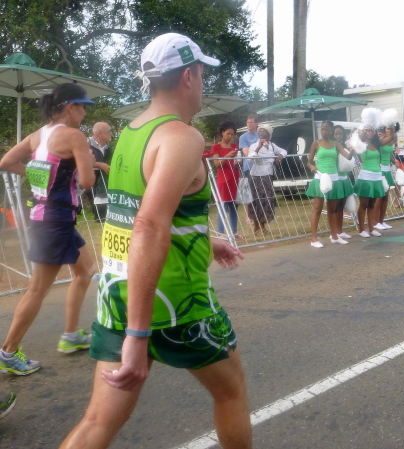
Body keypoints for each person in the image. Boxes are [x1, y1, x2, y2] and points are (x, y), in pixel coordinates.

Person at [60, 33, 251, 449]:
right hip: (176, 303)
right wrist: (139, 333)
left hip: (119, 295)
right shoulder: (182, 137)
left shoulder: (132, 132)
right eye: (201, 75)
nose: (202, 84)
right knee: (231, 393)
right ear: (189, 76)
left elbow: (139, 217)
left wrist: (205, 241)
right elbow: (149, 225)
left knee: (97, 421)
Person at [0, 84, 96, 375]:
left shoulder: (38, 135)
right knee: (37, 290)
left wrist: (37, 174)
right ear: (70, 106)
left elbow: (6, 161)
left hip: (52, 217)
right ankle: (7, 353)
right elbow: (88, 181)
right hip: (55, 219)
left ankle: (71, 335)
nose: (84, 112)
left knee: (85, 269)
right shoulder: (74, 136)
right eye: (83, 106)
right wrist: (89, 162)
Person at [305, 121, 353, 247]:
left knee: (332, 210)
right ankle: (314, 239)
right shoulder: (316, 143)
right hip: (320, 178)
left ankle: (334, 236)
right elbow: (308, 162)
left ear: (331, 130)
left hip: (334, 179)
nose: (324, 131)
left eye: (326, 129)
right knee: (317, 209)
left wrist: (354, 149)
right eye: (322, 129)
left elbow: (348, 157)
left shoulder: (336, 144)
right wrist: (312, 167)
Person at [248, 124, 287, 236]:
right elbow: (250, 159)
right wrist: (258, 148)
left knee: (266, 202)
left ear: (269, 135)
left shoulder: (272, 146)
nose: (261, 133)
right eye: (259, 131)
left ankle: (263, 226)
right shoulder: (254, 146)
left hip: (268, 177)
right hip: (256, 177)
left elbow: (284, 151)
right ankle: (256, 227)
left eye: (264, 131)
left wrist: (280, 156)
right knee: (256, 202)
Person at [210, 120, 242, 239]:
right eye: (228, 133)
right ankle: (221, 232)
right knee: (223, 206)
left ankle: (234, 232)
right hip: (223, 180)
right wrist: (227, 156)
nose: (230, 136)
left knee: (234, 206)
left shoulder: (234, 147)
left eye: (232, 134)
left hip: (235, 178)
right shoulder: (216, 147)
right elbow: (217, 164)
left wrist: (239, 160)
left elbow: (238, 162)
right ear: (222, 133)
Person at [354, 126, 385, 237]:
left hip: (376, 177)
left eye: (372, 130)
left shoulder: (376, 144)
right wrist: (358, 133)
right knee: (363, 204)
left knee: (372, 205)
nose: (370, 132)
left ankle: (372, 228)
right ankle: (362, 229)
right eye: (367, 130)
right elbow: (353, 143)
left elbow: (390, 138)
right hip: (365, 177)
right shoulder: (361, 144)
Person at [333, 125, 356, 240]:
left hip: (344, 179)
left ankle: (340, 231)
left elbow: (348, 158)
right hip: (335, 179)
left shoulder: (344, 147)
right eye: (336, 134)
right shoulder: (332, 147)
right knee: (335, 207)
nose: (338, 136)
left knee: (341, 207)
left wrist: (353, 148)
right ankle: (334, 232)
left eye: (340, 134)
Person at [373, 124, 398, 231]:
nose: (390, 130)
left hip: (387, 170)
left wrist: (394, 161)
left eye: (392, 128)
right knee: (379, 196)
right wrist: (393, 136)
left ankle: (381, 221)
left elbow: (388, 153)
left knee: (386, 197)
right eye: (388, 128)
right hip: (380, 169)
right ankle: (375, 221)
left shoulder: (391, 140)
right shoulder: (380, 139)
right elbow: (382, 146)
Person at [87, 122, 113, 222]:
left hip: (105, 184)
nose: (111, 134)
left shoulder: (109, 149)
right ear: (100, 133)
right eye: (109, 131)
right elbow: (77, 162)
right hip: (90, 183)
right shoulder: (85, 144)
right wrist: (99, 165)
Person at [240, 114, 260, 224]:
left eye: (251, 122)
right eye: (248, 122)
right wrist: (258, 151)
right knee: (247, 192)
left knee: (259, 192)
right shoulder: (243, 137)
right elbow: (247, 153)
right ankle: (248, 216)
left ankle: (258, 214)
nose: (249, 124)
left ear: (256, 124)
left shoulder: (261, 136)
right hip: (248, 167)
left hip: (261, 167)